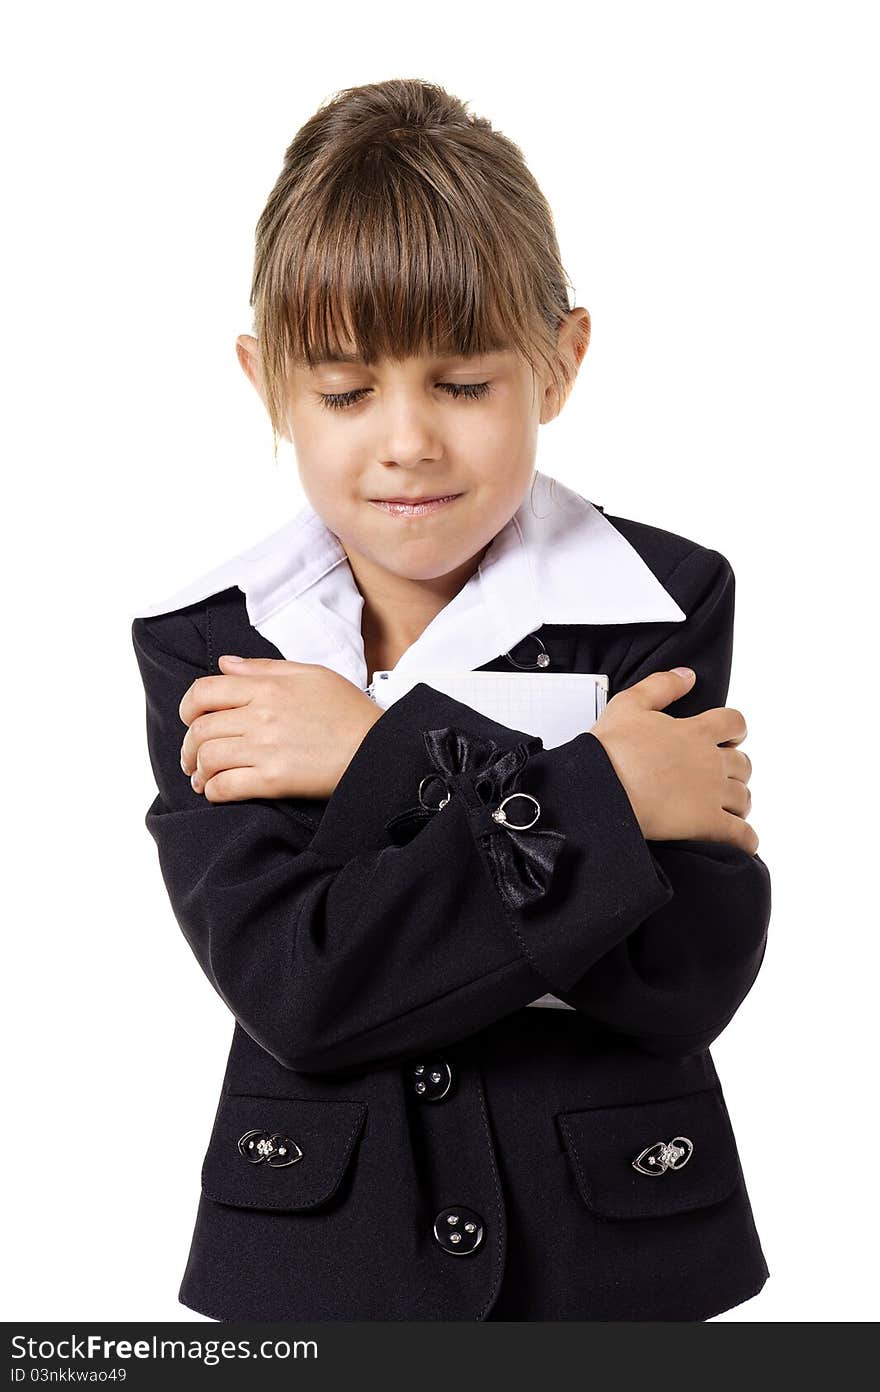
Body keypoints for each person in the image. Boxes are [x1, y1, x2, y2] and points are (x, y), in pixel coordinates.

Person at [130, 77, 771, 1322]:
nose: (409, 441)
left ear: (561, 362)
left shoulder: (663, 599)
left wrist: (376, 755)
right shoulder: (212, 642)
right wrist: (603, 802)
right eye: (347, 391)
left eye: (465, 385)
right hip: (321, 1251)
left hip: (617, 1239)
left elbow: (682, 968)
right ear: (268, 381)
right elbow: (301, 990)